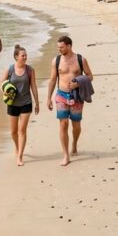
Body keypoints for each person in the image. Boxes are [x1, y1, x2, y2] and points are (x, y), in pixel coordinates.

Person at [47, 36, 93, 166]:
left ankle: (74, 143)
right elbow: (52, 79)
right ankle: (66, 155)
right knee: (63, 124)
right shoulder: (56, 61)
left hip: (76, 96)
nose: (59, 49)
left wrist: (78, 83)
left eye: (61, 47)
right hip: (61, 95)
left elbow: (90, 76)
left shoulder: (80, 59)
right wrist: (49, 98)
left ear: (69, 46)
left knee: (76, 125)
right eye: (58, 47)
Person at [2, 44, 39, 166]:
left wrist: (37, 102)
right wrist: (5, 90)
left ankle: (20, 156)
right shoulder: (10, 69)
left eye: (26, 55)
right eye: (23, 55)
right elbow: (1, 82)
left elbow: (33, 86)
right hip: (12, 103)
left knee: (22, 130)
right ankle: (17, 148)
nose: (25, 57)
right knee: (13, 132)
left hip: (26, 103)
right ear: (16, 57)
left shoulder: (30, 70)